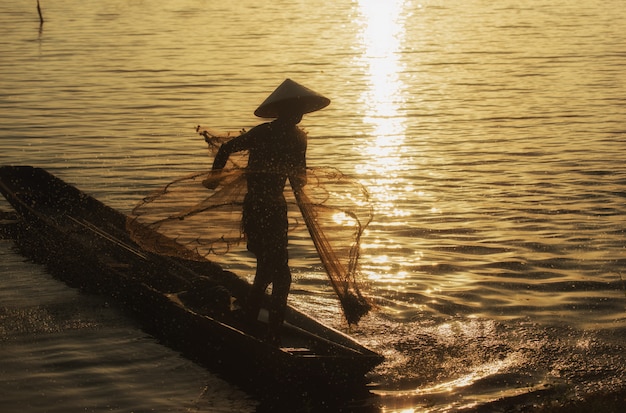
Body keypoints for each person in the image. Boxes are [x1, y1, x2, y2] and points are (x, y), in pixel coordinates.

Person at [211, 79, 330, 344]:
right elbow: (300, 179)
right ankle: (271, 333)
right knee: (281, 276)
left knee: (267, 270)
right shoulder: (283, 136)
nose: (299, 115)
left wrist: (215, 176)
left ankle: (253, 322)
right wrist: (214, 178)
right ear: (285, 111)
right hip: (265, 208)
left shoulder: (269, 134)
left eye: (301, 109)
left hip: (269, 208)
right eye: (295, 109)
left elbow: (226, 149)